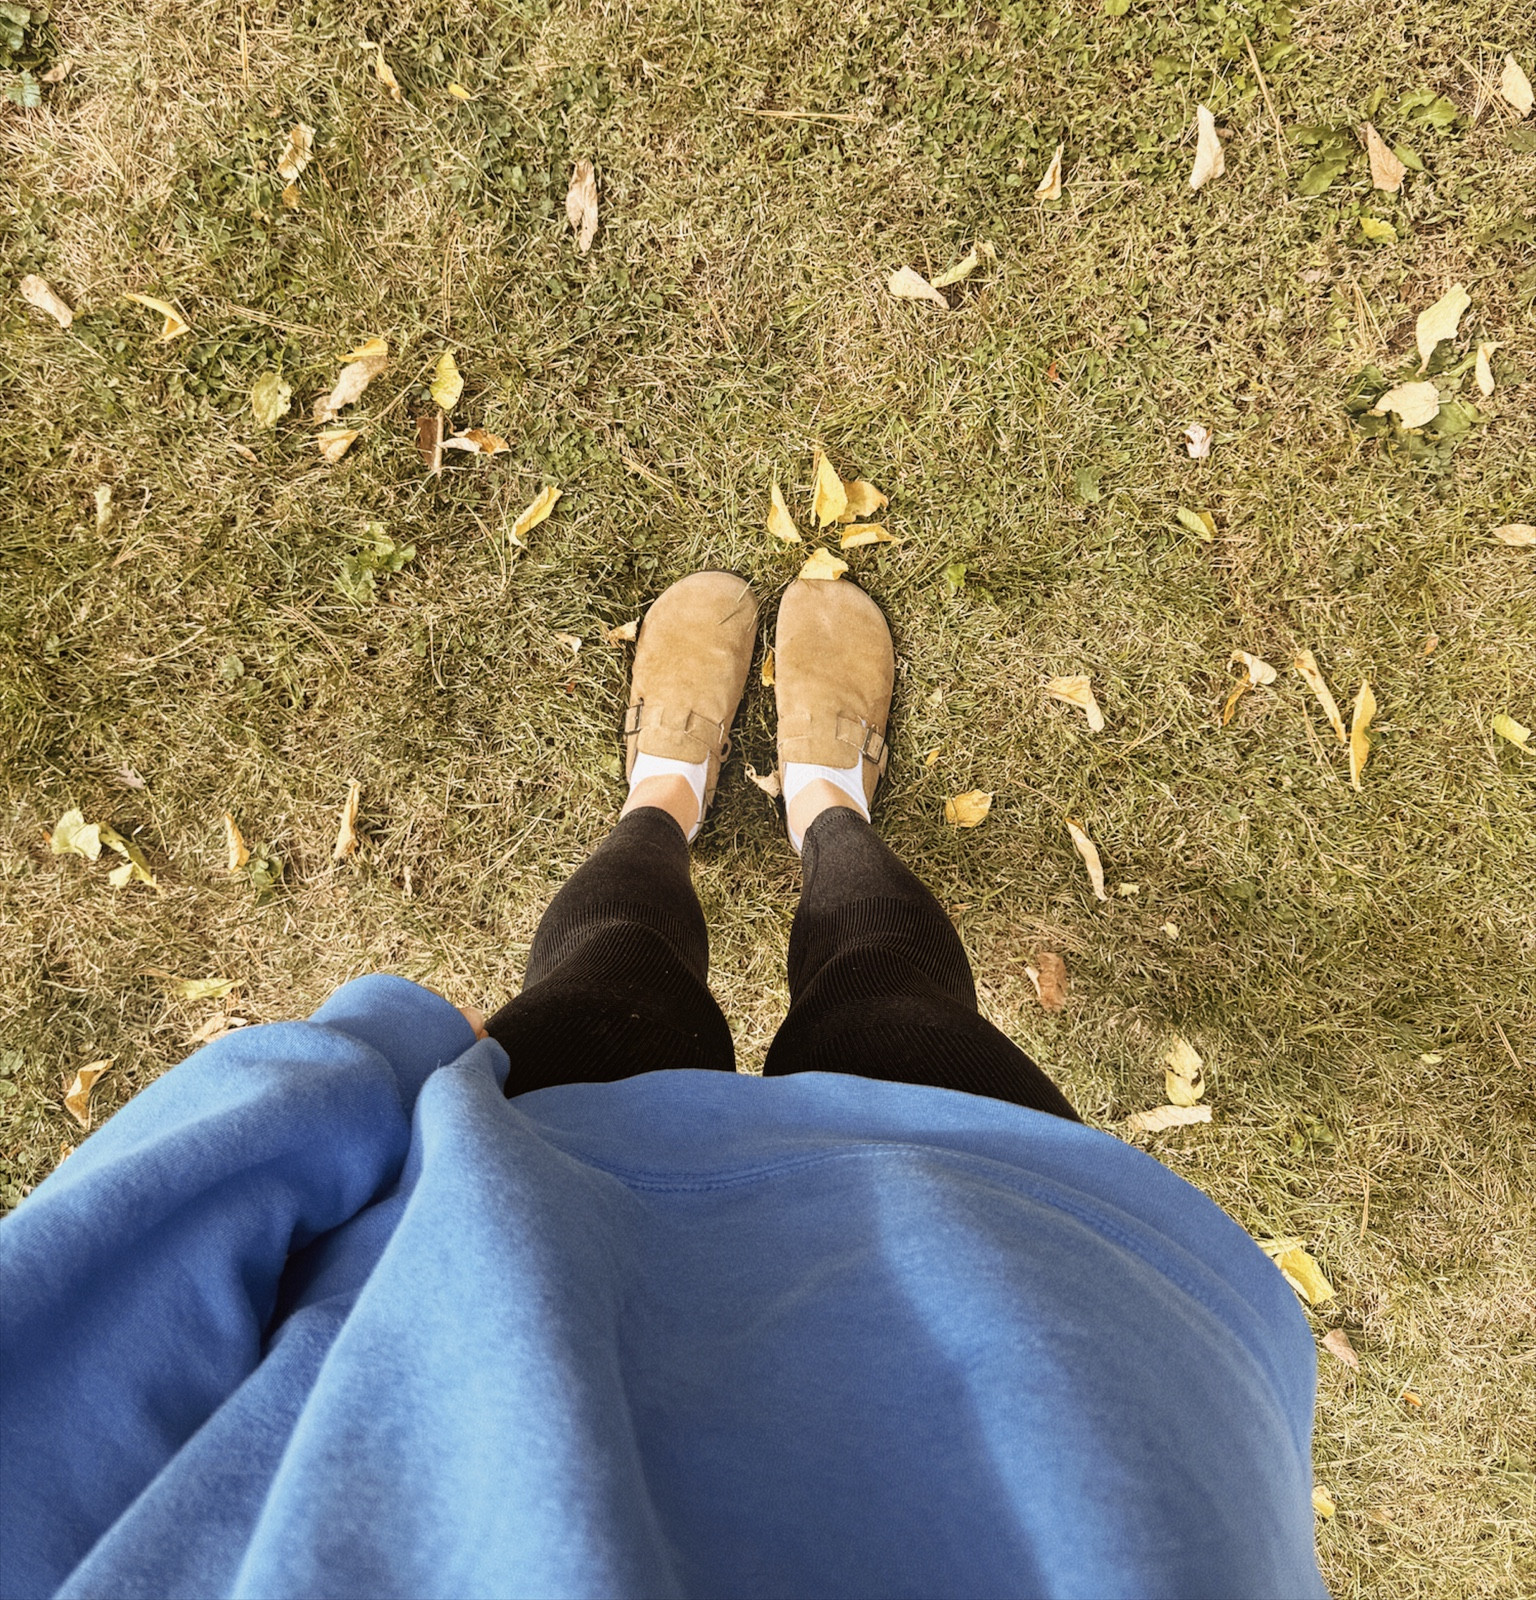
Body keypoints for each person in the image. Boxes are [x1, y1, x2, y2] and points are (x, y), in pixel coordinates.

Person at [0, 574, 1327, 1600]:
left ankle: (678, 793)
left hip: (510, 1231)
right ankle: (825, 801)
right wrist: (377, 1054)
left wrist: (386, 1058)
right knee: (900, 1010)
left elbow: (85, 1303)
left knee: (617, 960)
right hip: (1028, 1341)